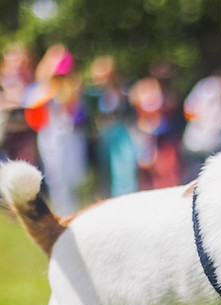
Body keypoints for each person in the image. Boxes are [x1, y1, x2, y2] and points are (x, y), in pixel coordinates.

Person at [26, 44, 88, 216]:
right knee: (57, 177)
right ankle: (64, 213)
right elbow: (31, 108)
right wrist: (49, 87)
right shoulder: (40, 88)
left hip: (71, 136)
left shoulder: (73, 87)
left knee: (74, 175)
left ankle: (77, 210)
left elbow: (79, 115)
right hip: (51, 137)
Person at [88, 55, 138, 197]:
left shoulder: (124, 91)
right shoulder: (92, 95)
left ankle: (125, 199)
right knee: (104, 174)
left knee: (124, 172)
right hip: (103, 136)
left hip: (121, 134)